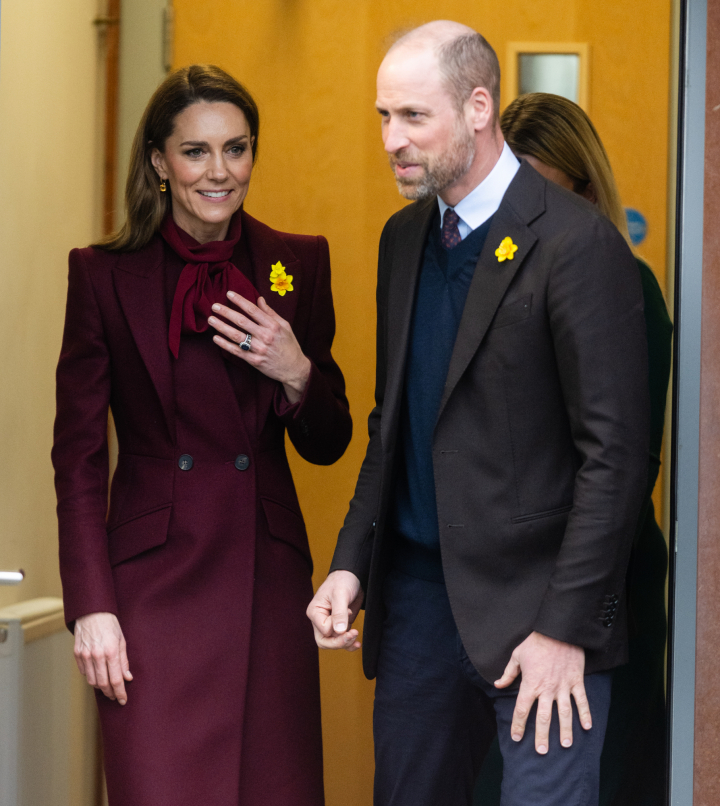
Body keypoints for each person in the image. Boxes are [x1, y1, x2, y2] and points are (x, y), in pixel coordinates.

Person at [306, 21, 649, 806]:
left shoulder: (577, 246)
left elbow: (616, 458)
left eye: (414, 117)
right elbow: (390, 424)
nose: (393, 139)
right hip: (419, 614)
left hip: (543, 613)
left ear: (478, 108)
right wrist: (350, 565)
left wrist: (567, 630)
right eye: (383, 117)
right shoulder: (402, 241)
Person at [52, 64, 352, 806]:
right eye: (196, 152)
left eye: (237, 148)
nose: (220, 171)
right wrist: (92, 606)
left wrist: (296, 372)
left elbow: (330, 438)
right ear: (159, 161)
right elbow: (79, 459)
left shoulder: (298, 261)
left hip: (265, 583)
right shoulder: (101, 276)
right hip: (149, 596)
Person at [493, 92, 672, 806]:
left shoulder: (628, 286)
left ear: (584, 188)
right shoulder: (487, 284)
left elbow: (623, 465)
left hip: (603, 591)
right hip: (501, 597)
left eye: (536, 186)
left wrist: (562, 614)